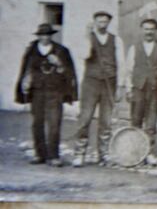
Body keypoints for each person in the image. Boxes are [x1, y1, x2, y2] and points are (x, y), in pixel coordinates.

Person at [15, 24, 78, 167]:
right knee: (37, 123)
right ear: (38, 36)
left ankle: (53, 156)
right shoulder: (31, 51)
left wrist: (59, 63)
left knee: (54, 124)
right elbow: (26, 70)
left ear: (51, 36)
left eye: (48, 35)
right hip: (37, 92)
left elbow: (69, 73)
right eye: (42, 35)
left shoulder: (61, 51)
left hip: (55, 92)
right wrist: (25, 82)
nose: (45, 38)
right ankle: (40, 154)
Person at [73, 10, 126, 167]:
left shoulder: (116, 40)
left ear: (109, 23)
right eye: (99, 21)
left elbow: (121, 64)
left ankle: (104, 154)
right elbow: (84, 55)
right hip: (91, 83)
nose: (102, 23)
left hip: (109, 83)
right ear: (95, 22)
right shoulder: (88, 38)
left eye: (105, 21)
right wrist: (87, 36)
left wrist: (121, 86)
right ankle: (79, 153)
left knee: (106, 120)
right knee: (85, 118)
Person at [124, 18, 157, 165]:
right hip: (138, 89)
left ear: (155, 31)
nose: (149, 32)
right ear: (142, 30)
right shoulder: (134, 48)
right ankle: (135, 152)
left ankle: (149, 152)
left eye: (152, 29)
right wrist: (128, 89)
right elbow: (128, 71)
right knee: (136, 120)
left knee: (151, 122)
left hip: (155, 89)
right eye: (146, 29)